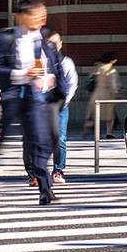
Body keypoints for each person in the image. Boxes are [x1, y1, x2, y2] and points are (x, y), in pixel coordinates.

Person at [0, 0, 65, 205]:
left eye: (44, 14)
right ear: (23, 16)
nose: (42, 18)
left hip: (36, 98)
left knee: (40, 141)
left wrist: (50, 78)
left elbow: (54, 64)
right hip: (13, 96)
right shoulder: (5, 39)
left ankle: (45, 190)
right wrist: (23, 73)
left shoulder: (45, 37)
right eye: (38, 14)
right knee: (2, 143)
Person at [49, 31, 78, 184]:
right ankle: (36, 171)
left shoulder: (66, 63)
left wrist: (64, 102)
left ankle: (58, 170)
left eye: (56, 43)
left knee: (60, 138)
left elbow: (72, 83)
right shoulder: (41, 62)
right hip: (44, 105)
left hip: (61, 106)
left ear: (60, 44)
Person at [85, 52, 120, 139]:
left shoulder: (98, 68)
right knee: (109, 115)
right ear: (112, 60)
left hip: (97, 92)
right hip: (107, 93)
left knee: (94, 113)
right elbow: (112, 84)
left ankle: (87, 128)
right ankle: (109, 133)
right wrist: (115, 92)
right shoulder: (111, 70)